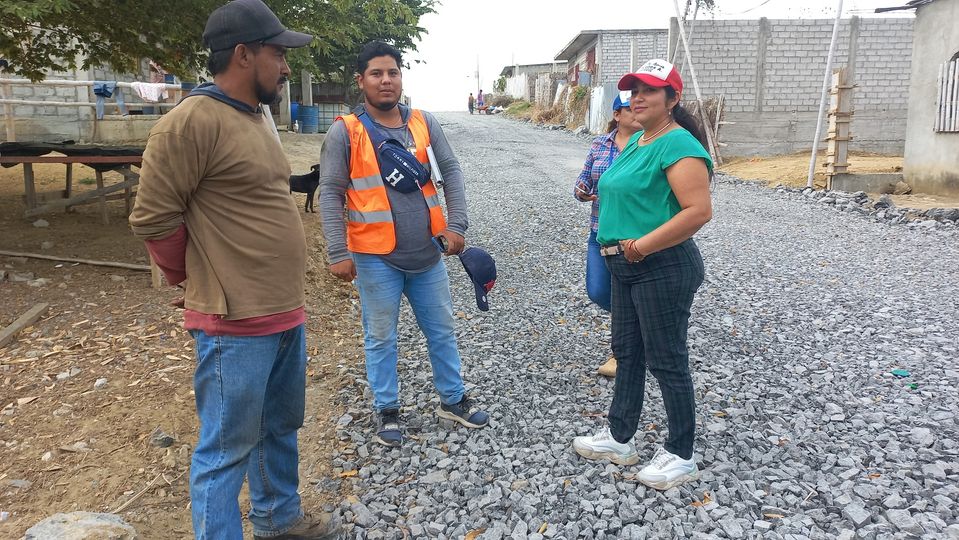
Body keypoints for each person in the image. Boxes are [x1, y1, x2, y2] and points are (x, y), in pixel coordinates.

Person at [129, 1, 341, 538]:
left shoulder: (258, 114)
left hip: (284, 310)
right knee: (225, 449)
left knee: (279, 427)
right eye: (278, 54)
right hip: (234, 322)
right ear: (243, 55)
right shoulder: (189, 124)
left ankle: (278, 520)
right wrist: (190, 277)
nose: (286, 67)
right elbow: (153, 218)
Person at [319, 41, 489, 448]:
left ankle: (453, 400)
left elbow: (451, 171)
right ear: (361, 80)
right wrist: (338, 251)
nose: (386, 80)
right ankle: (388, 410)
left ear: (401, 77)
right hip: (375, 258)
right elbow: (330, 192)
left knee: (442, 330)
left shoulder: (423, 123)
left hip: (428, 254)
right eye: (376, 73)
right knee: (381, 337)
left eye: (393, 72)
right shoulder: (346, 131)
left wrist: (457, 225)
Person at [571, 59, 713, 491]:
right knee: (627, 352)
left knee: (666, 359)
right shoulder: (638, 141)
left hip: (660, 265)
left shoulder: (679, 144)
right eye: (634, 91)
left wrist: (642, 246)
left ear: (673, 98)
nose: (638, 98)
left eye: (650, 90)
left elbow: (698, 211)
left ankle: (681, 454)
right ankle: (620, 437)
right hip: (624, 263)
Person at [574, 91, 642, 378]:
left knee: (626, 292)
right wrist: (580, 190)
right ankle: (640, 325)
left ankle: (622, 352)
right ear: (617, 115)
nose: (637, 112)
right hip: (600, 232)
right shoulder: (599, 144)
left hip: (637, 236)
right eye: (630, 108)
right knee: (599, 291)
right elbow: (585, 177)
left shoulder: (650, 144)